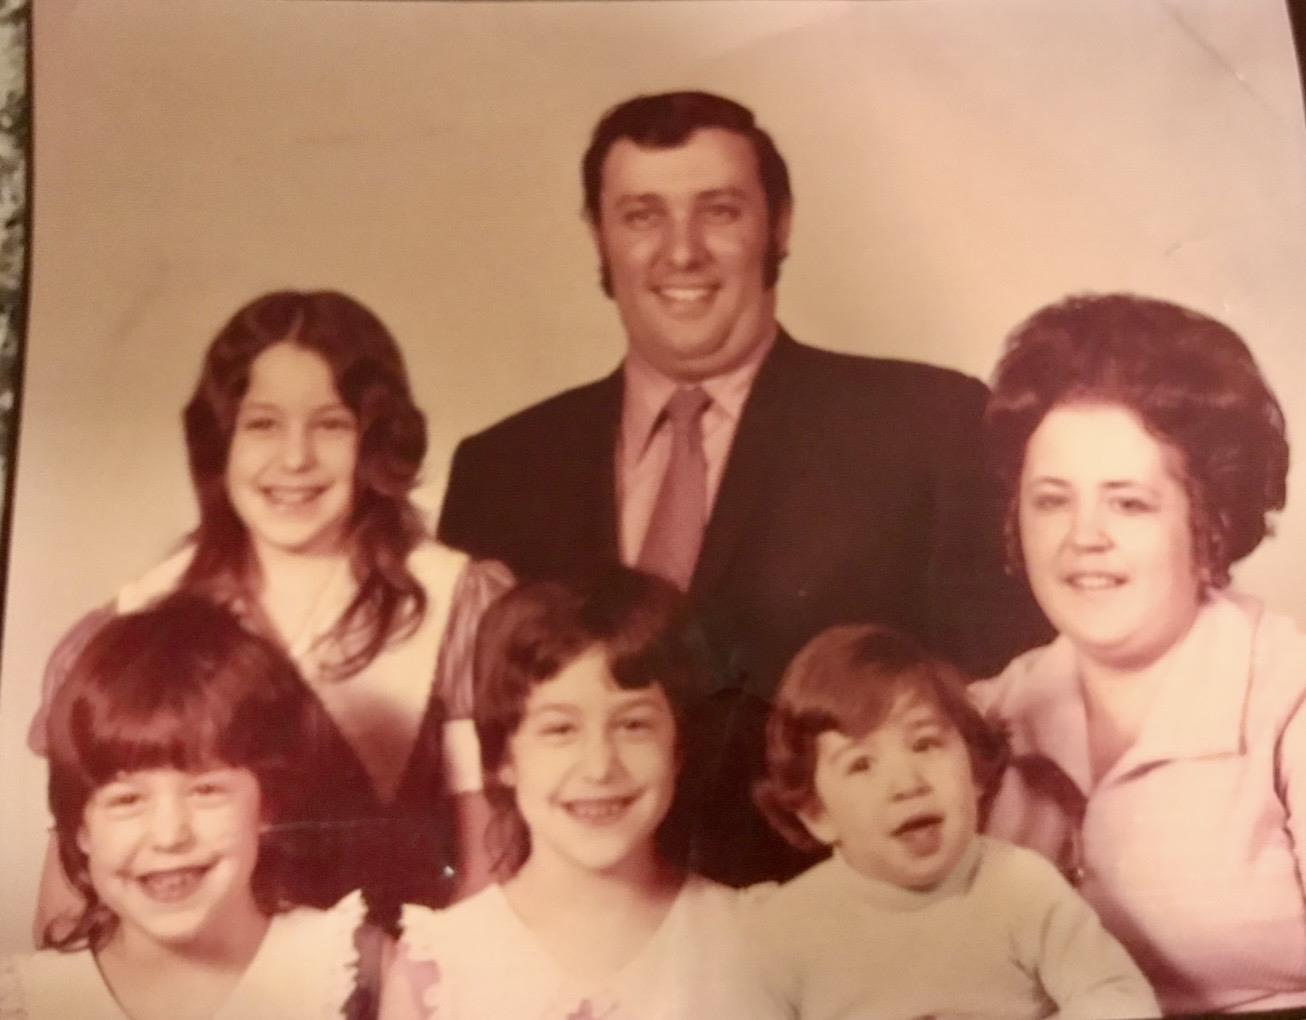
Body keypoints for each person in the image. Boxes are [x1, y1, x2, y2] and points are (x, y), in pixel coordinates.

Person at [437, 90, 1048, 886]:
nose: (681, 252)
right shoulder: (500, 468)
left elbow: (1011, 708)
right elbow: (469, 756)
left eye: (719, 211)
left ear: (779, 225)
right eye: (642, 216)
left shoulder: (927, 425)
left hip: (853, 925)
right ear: (599, 237)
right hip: (585, 936)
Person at [32, 290, 509, 932]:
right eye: (262, 424)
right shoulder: (134, 623)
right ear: (219, 440)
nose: (295, 458)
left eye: (331, 424)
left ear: (375, 442)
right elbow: (72, 900)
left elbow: (488, 873)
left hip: (408, 969)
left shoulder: (460, 609)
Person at [972, 293, 1306, 1014]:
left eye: (1128, 503)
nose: (1083, 538)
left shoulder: (1289, 695)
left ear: (1209, 522)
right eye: (1052, 500)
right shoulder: (983, 717)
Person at [380, 568, 771, 1019]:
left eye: (633, 725)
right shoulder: (441, 969)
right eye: (560, 729)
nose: (599, 767)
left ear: (679, 747)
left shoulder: (755, 943)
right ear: (503, 756)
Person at [749, 623, 1156, 1019]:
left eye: (925, 743)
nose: (907, 784)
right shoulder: (785, 930)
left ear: (975, 771)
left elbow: (1119, 996)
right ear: (817, 815)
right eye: (861, 765)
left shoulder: (1022, 886)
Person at [0, 594, 375, 1020]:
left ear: (266, 806)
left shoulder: (350, 969)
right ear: (80, 829)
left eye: (206, 791)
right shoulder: (26, 1003)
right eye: (126, 799)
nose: (169, 835)